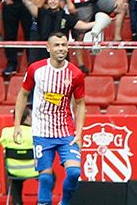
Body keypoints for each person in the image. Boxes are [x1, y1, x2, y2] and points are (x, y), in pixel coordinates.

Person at [13, 32, 85, 205]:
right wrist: (17, 125)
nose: (61, 49)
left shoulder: (75, 74)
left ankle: (64, 202)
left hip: (66, 130)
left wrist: (79, 131)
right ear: (48, 48)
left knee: (74, 172)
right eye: (57, 45)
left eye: (64, 45)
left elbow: (81, 104)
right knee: (45, 178)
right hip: (42, 132)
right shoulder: (36, 69)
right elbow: (23, 95)